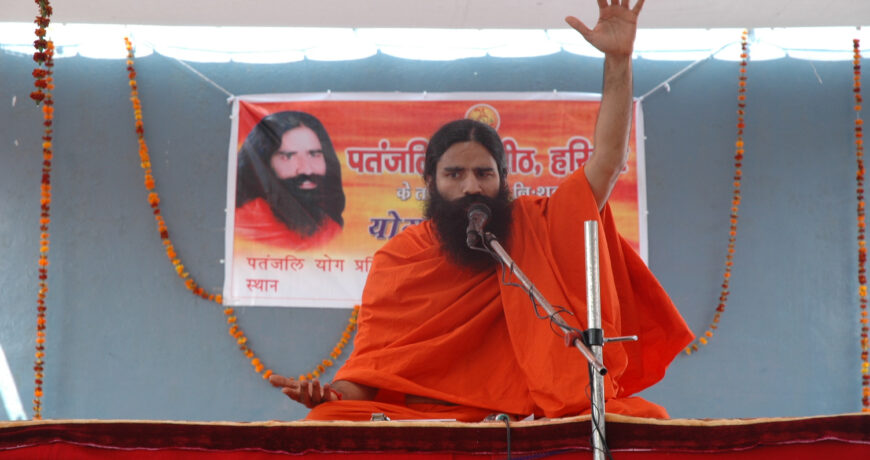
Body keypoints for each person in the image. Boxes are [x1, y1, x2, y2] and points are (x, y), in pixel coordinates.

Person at [270, 0, 694, 421]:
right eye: (454, 174)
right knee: (326, 421)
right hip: (426, 420)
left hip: (526, 420)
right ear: (430, 181)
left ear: (503, 180)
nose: (471, 186)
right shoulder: (399, 259)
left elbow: (607, 162)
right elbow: (369, 374)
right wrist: (329, 396)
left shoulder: (537, 226)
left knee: (639, 422)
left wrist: (618, 60)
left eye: (484, 173)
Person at [235, 111, 345, 249]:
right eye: (288, 156)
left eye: (314, 154)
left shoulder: (330, 229)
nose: (306, 170)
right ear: (263, 164)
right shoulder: (242, 226)